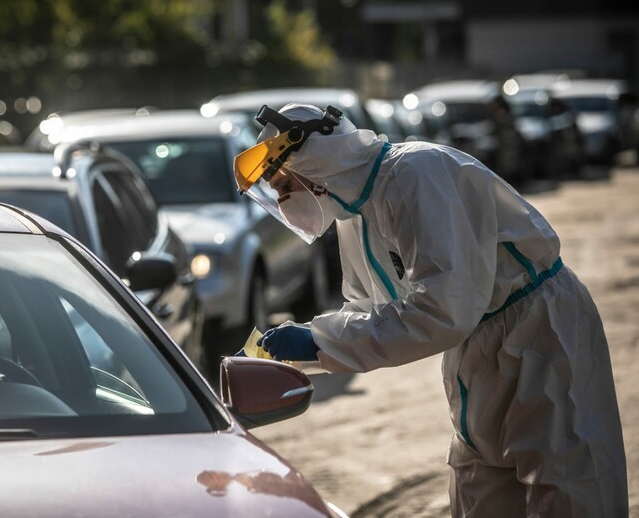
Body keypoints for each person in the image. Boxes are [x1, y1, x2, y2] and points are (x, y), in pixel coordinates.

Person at [232, 103, 628, 517]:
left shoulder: (415, 174)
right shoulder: (354, 213)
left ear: (313, 160)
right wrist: (286, 352)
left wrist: (317, 341)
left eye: (281, 183)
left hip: (540, 330)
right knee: (479, 489)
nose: (281, 197)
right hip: (475, 346)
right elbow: (372, 309)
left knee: (571, 486)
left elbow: (443, 310)